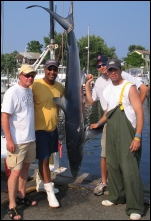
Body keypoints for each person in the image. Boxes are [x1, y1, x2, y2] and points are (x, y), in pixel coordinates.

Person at [85, 55, 149, 196]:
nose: (102, 67)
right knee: (106, 154)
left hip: (126, 120)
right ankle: (104, 182)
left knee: (128, 155)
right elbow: (91, 102)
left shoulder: (121, 75)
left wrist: (134, 108)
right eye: (99, 66)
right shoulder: (101, 82)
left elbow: (144, 89)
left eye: (104, 64)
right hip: (108, 119)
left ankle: (129, 188)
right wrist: (87, 85)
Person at [1, 64, 38, 220]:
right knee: (15, 172)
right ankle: (12, 205)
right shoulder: (12, 92)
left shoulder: (29, 90)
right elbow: (4, 117)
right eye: (27, 75)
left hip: (30, 138)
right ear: (20, 76)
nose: (30, 78)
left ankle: (22, 194)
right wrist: (9, 139)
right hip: (17, 141)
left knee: (25, 169)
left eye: (32, 76)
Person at [31, 59, 65, 208]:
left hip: (53, 129)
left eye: (55, 69)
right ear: (44, 69)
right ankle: (50, 192)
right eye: (49, 69)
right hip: (39, 129)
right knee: (44, 159)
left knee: (47, 158)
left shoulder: (60, 87)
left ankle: (44, 183)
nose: (52, 72)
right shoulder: (35, 85)